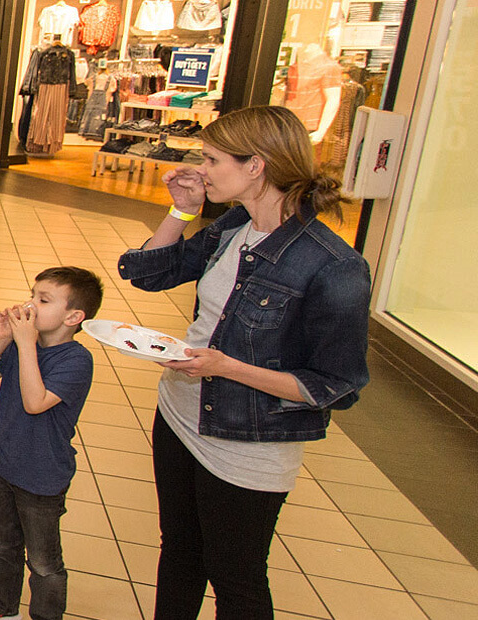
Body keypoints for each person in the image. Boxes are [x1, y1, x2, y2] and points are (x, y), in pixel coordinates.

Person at [118, 106, 371, 619]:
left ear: (255, 166)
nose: (201, 169)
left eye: (212, 159)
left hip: (248, 442)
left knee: (237, 577)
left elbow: (334, 386)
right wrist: (182, 210)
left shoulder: (334, 266)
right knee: (181, 550)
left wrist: (226, 367)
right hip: (180, 415)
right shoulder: (235, 226)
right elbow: (148, 274)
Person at [0, 267, 103, 620]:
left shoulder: (76, 361)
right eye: (32, 294)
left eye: (44, 300)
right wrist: (1, 339)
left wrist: (24, 345)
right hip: (3, 463)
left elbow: (35, 402)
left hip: (42, 477)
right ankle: (2, 604)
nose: (30, 305)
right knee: (1, 544)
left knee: (43, 561)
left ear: (73, 317)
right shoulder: (24, 346)